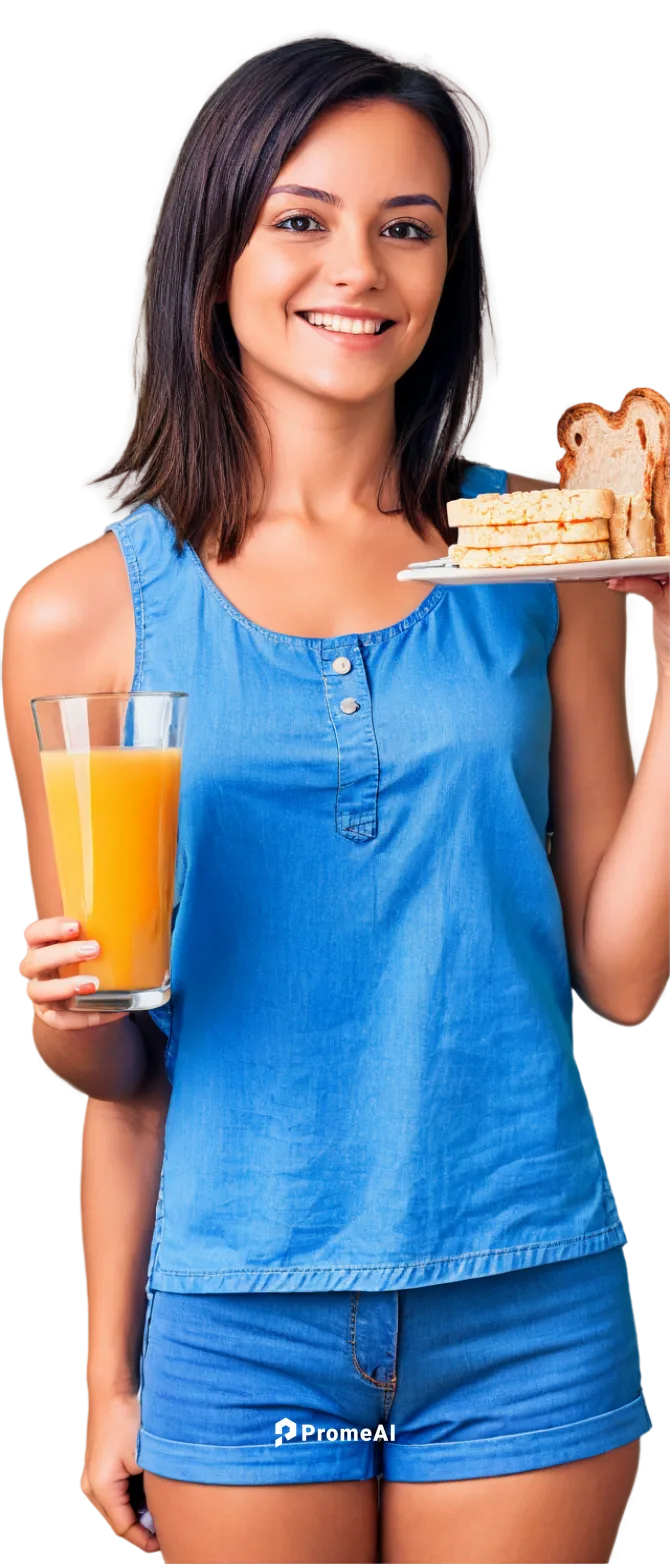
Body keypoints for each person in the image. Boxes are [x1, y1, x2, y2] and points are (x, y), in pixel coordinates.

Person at [5, 36, 669, 1564]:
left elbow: (626, 980)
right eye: (299, 219)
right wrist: (103, 1376)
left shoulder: (531, 573)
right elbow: (122, 1065)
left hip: (523, 1294)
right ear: (214, 247)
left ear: (448, 269)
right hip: (238, 1315)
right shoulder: (78, 618)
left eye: (407, 225)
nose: (355, 267)